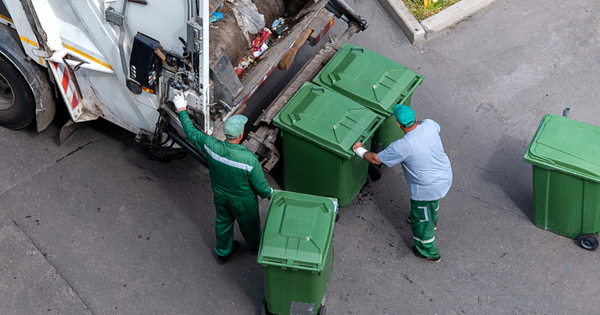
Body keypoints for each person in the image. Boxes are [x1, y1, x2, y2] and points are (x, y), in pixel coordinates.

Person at [173, 93, 273, 265]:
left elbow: (190, 132)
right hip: (243, 202)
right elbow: (261, 188)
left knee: (223, 222)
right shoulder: (249, 160)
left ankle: (222, 252)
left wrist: (181, 108)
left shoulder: (212, 146)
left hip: (220, 196)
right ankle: (255, 246)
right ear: (241, 135)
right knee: (250, 226)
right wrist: (271, 194)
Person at [352, 104, 452, 263]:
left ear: (398, 125)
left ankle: (428, 250)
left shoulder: (402, 146)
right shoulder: (430, 124)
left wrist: (359, 150)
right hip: (444, 176)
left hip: (427, 187)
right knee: (431, 204)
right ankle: (430, 220)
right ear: (416, 117)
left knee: (422, 221)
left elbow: (375, 159)